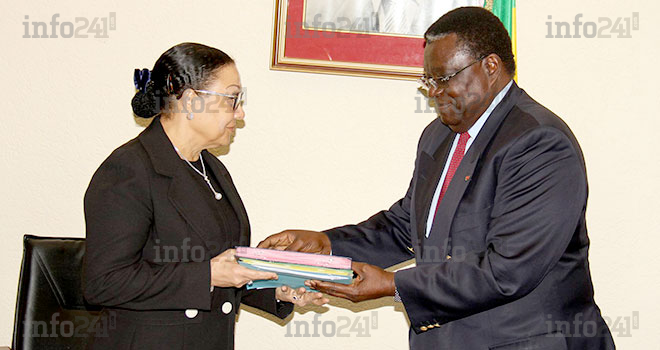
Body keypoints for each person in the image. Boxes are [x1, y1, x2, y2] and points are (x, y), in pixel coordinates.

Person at [260, 8, 615, 350]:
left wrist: (392, 285)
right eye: (429, 80)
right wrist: (326, 246)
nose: (433, 92)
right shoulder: (439, 135)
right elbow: (406, 227)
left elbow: (508, 270)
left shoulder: (539, 142)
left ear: (490, 66)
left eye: (444, 79)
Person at [83, 42, 327, 350]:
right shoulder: (129, 170)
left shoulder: (211, 167)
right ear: (190, 101)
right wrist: (208, 274)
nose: (239, 114)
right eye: (232, 100)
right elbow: (103, 283)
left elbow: (221, 268)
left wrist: (277, 288)